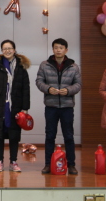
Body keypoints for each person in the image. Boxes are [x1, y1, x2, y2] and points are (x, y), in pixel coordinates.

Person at [35, 38, 82, 175]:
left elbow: (78, 84)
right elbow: (39, 81)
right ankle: (48, 164)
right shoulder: (45, 65)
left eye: (61, 48)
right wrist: (48, 89)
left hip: (67, 106)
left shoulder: (73, 66)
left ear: (66, 50)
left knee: (69, 136)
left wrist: (68, 90)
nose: (58, 50)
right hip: (51, 106)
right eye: (56, 48)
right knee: (50, 136)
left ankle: (71, 165)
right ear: (53, 49)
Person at [0, 39, 31, 172]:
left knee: (14, 135)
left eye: (10, 48)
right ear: (2, 51)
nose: (7, 51)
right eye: (5, 49)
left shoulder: (21, 67)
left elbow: (26, 88)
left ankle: (13, 162)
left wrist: (25, 107)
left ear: (14, 50)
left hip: (15, 106)